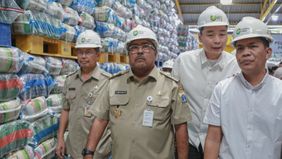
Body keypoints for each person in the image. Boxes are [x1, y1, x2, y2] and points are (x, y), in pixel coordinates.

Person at [82, 25, 191, 159]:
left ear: (155, 52)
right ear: (128, 54)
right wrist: (88, 152)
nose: (140, 51)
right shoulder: (113, 83)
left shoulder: (172, 86)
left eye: (146, 46)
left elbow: (180, 128)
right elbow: (100, 120)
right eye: (133, 48)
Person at [204, 17, 282, 159]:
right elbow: (213, 139)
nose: (245, 53)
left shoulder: (280, 92)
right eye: (240, 48)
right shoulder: (222, 90)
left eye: (253, 46)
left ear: (268, 52)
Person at [172, 5, 240, 159]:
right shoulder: (184, 62)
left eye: (222, 34)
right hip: (189, 141)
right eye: (210, 34)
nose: (217, 40)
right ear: (200, 37)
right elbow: (173, 100)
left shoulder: (235, 65)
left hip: (222, 143)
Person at [56, 30, 112, 159]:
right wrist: (60, 139)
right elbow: (65, 109)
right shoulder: (70, 80)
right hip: (74, 148)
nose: (83, 56)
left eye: (88, 52)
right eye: (80, 52)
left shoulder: (108, 81)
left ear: (98, 55)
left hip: (99, 151)